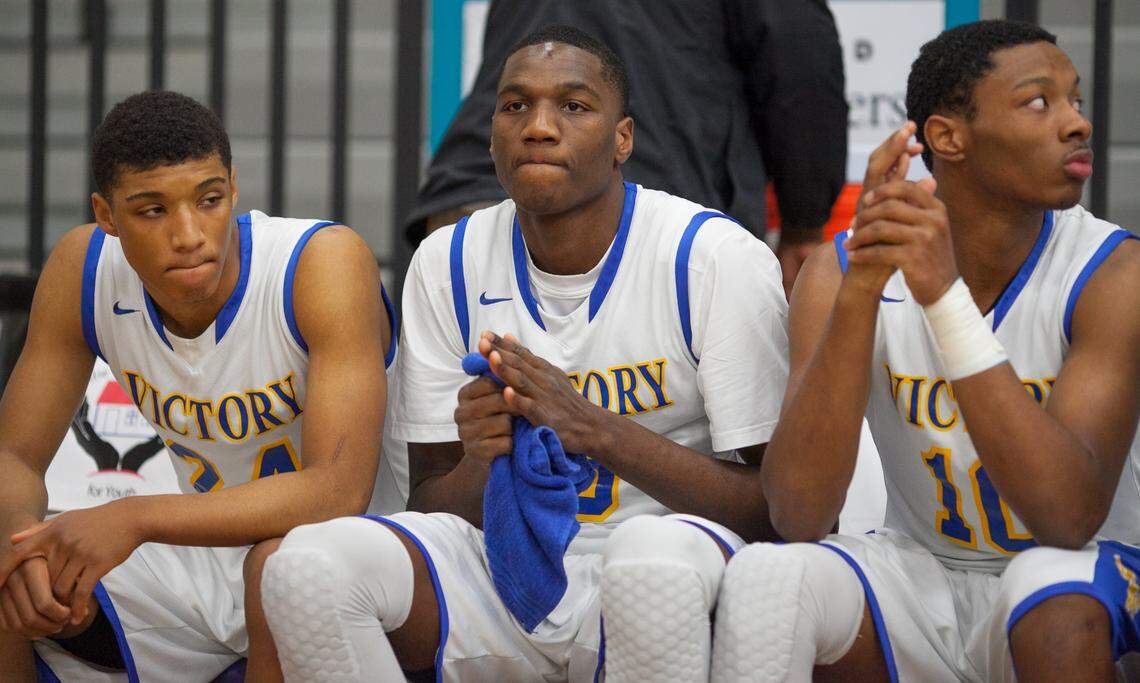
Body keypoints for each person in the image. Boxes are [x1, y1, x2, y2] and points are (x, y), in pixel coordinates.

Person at [260, 25, 788, 682]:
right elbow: (431, 502)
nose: (538, 126)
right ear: (491, 137)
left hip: (669, 563)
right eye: (515, 106)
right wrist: (484, 458)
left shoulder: (712, 258)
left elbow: (777, 514)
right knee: (305, 565)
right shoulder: (446, 261)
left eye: (573, 105)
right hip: (500, 564)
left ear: (623, 138)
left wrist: (596, 430)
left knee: (650, 564)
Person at [710, 20, 1140, 682]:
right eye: (1039, 102)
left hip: (1086, 566)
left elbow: (1066, 515)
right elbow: (797, 512)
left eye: (1076, 101)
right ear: (947, 137)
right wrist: (862, 289)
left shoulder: (1114, 274)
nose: (1076, 123)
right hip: (922, 568)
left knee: (1052, 595)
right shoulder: (839, 270)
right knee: (770, 575)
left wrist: (943, 299)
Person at [0, 90, 403, 682]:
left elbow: (336, 492)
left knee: (278, 567)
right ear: (107, 216)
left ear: (234, 189)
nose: (189, 234)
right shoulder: (84, 269)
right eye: (152, 210)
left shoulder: (319, 262)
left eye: (208, 200)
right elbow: (14, 455)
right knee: (14, 565)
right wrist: (19, 548)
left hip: (353, 558)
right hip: (207, 554)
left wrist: (134, 518)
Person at [407, 0, 847, 296]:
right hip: (640, 209)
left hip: (470, 203)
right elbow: (802, 64)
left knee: (475, 426)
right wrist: (805, 223)